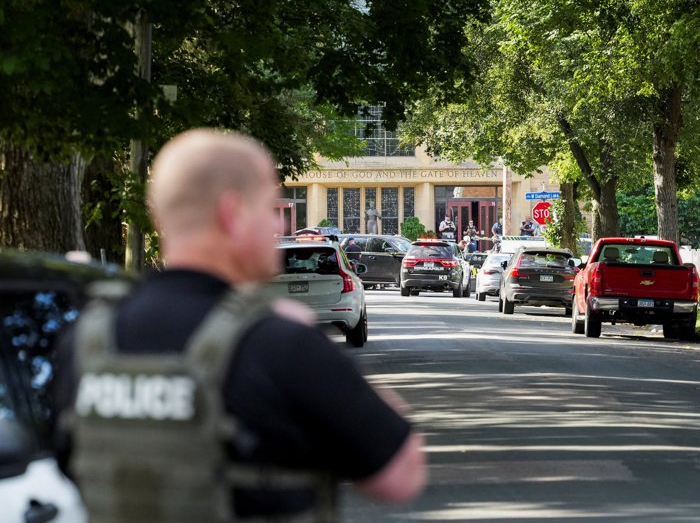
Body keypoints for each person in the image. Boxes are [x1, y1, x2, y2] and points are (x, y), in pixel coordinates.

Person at [52, 129, 426, 523]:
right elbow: (400, 476)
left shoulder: (86, 340)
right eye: (268, 209)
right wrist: (328, 357)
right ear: (232, 214)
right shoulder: (279, 343)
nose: (279, 229)